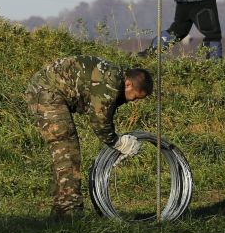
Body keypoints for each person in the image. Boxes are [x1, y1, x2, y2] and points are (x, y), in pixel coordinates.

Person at [24, 55, 153, 218]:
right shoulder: (111, 82)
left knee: (65, 153)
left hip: (47, 91)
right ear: (128, 84)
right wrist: (118, 143)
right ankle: (69, 212)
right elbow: (99, 121)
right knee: (67, 153)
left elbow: (104, 114)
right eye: (134, 96)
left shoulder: (115, 77)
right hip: (46, 93)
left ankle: (61, 210)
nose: (133, 101)